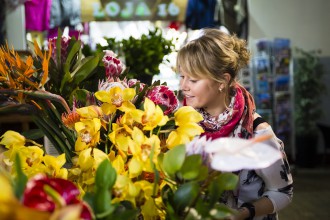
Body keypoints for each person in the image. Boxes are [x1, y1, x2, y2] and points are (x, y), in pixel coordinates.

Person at [176, 28, 293, 220]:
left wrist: (244, 213)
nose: (183, 86)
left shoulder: (258, 134)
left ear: (222, 80)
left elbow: (283, 192)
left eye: (193, 79)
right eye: (182, 76)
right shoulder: (182, 124)